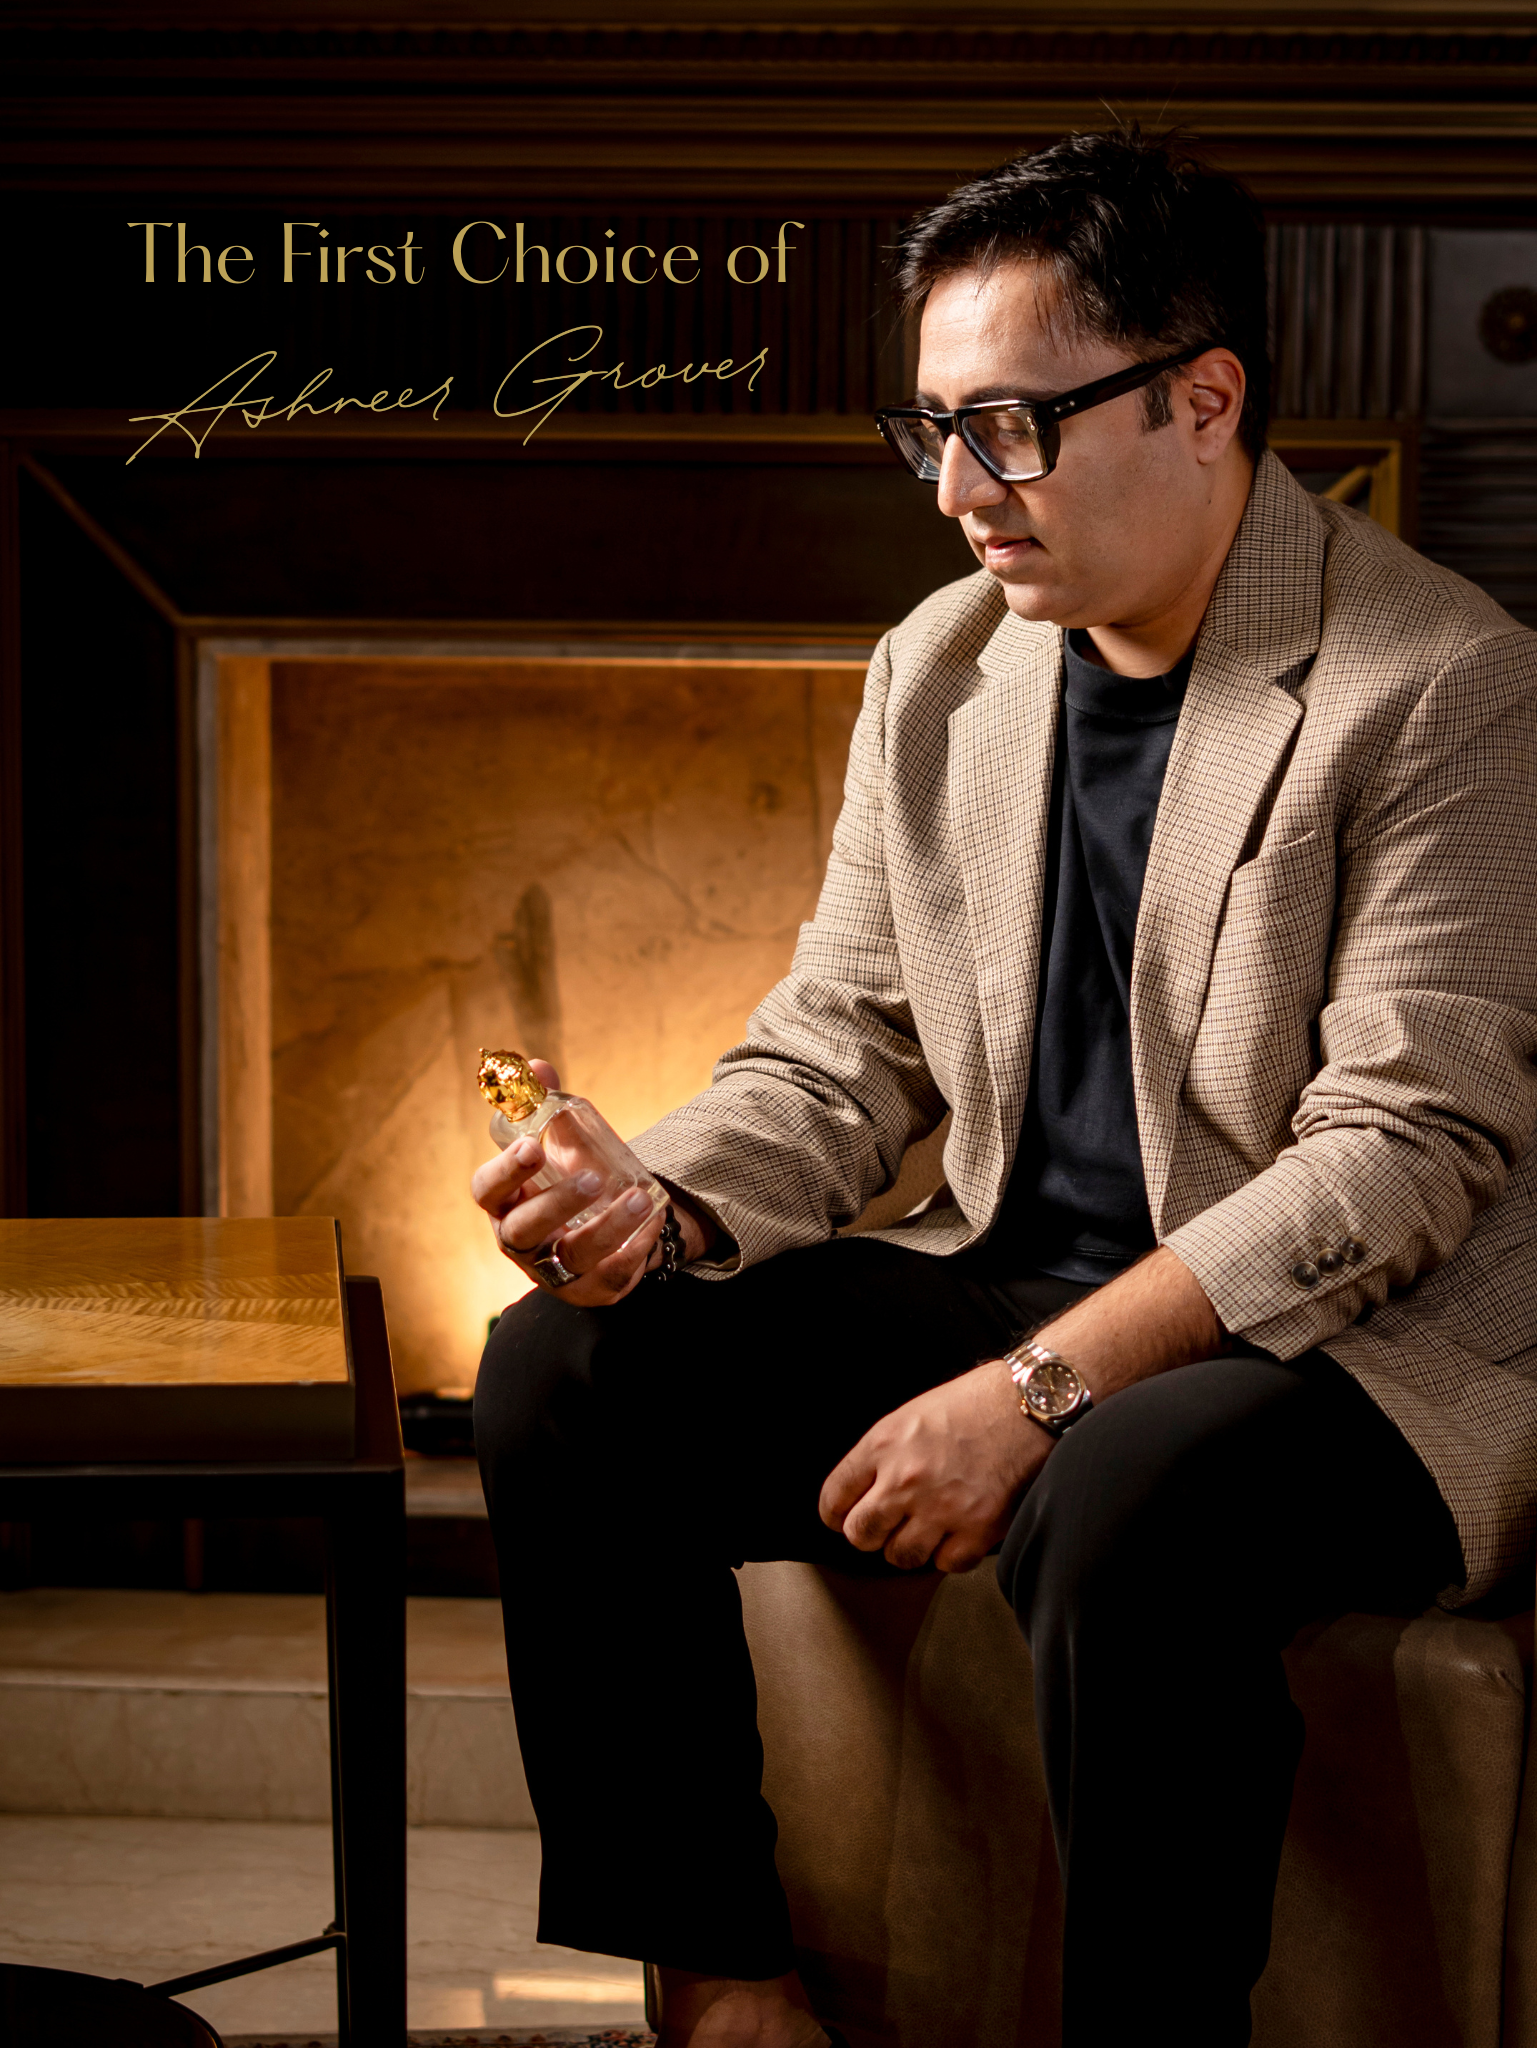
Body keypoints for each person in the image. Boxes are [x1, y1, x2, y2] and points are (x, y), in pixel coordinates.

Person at [471, 128, 1537, 2048]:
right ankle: (722, 1984)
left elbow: (1400, 1159)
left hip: (1357, 1344)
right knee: (567, 1368)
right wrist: (661, 1201)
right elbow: (845, 1038)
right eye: (935, 429)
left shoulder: (1447, 684)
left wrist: (1036, 1394)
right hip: (1011, 1271)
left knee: (1126, 1490)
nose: (962, 489)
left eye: (1014, 429)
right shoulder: (944, 667)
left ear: (1204, 401)